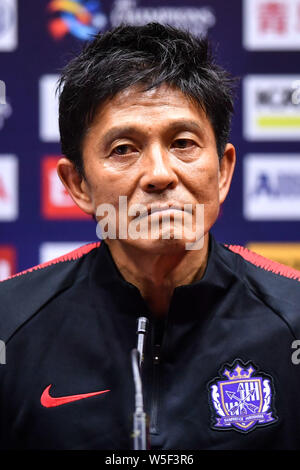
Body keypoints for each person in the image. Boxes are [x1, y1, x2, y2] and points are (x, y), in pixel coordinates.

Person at [0, 23, 300, 451]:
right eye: (123, 148)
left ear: (223, 172)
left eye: (183, 142)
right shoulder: (9, 324)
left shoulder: (293, 318)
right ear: (77, 184)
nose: (160, 174)